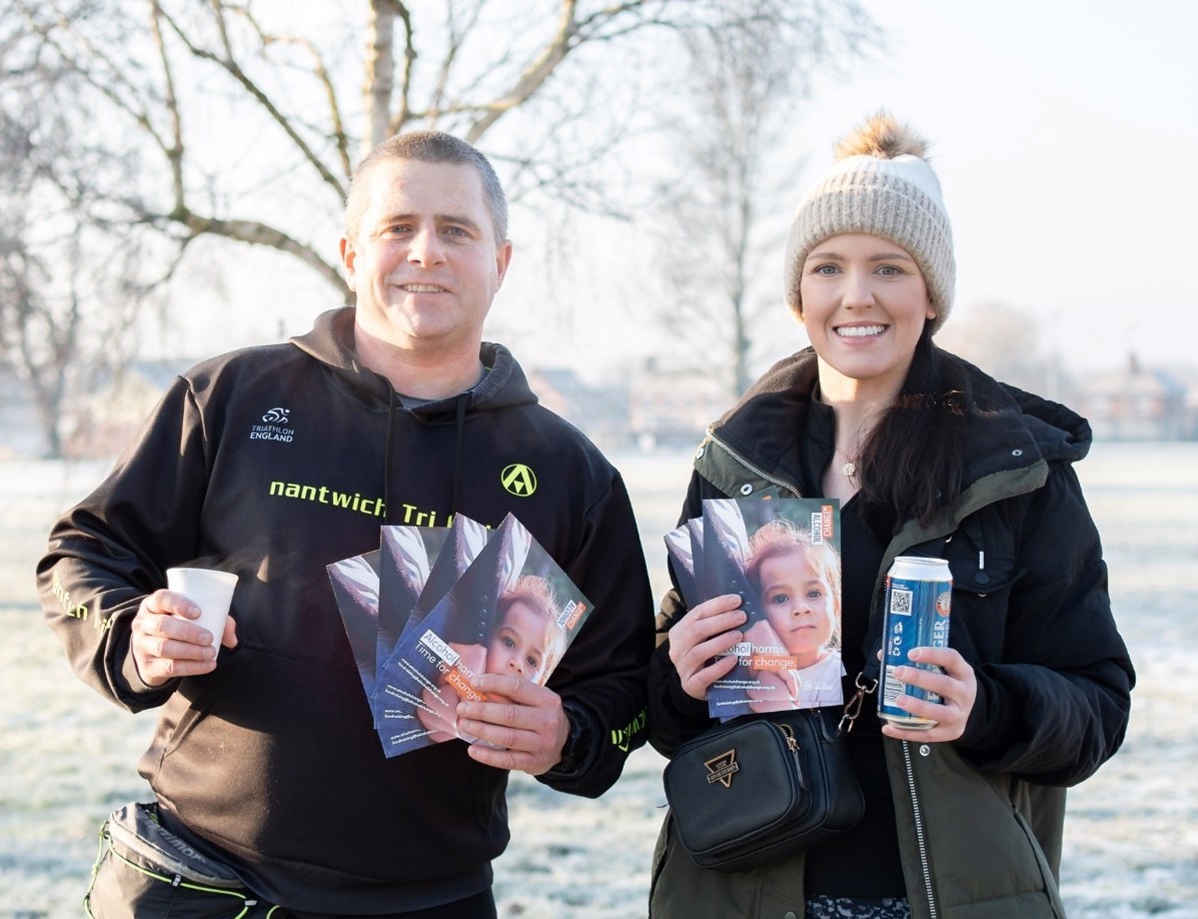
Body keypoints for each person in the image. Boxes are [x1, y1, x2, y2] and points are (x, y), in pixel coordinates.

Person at [37, 130, 655, 917]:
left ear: (500, 262)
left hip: (430, 897)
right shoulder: (233, 397)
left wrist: (566, 732)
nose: (425, 251)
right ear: (349, 251)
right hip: (203, 879)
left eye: (456, 230)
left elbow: (627, 690)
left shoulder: (570, 472)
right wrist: (133, 632)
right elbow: (79, 555)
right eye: (397, 227)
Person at [647, 111, 1135, 919]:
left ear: (931, 294)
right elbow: (669, 715)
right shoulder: (733, 464)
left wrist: (988, 708)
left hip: (954, 894)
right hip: (748, 889)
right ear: (798, 292)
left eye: (889, 268)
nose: (855, 296)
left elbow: (1097, 704)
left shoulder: (1016, 471)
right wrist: (679, 677)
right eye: (828, 267)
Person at [417, 575, 569, 739]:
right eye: (509, 642)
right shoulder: (463, 676)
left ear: (541, 682)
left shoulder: (527, 732)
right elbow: (429, 711)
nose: (517, 664)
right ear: (487, 639)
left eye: (532, 661)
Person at [741, 518, 844, 712]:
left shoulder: (843, 672)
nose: (801, 608)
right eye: (780, 598)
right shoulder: (748, 671)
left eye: (814, 594)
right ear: (759, 614)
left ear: (836, 605)